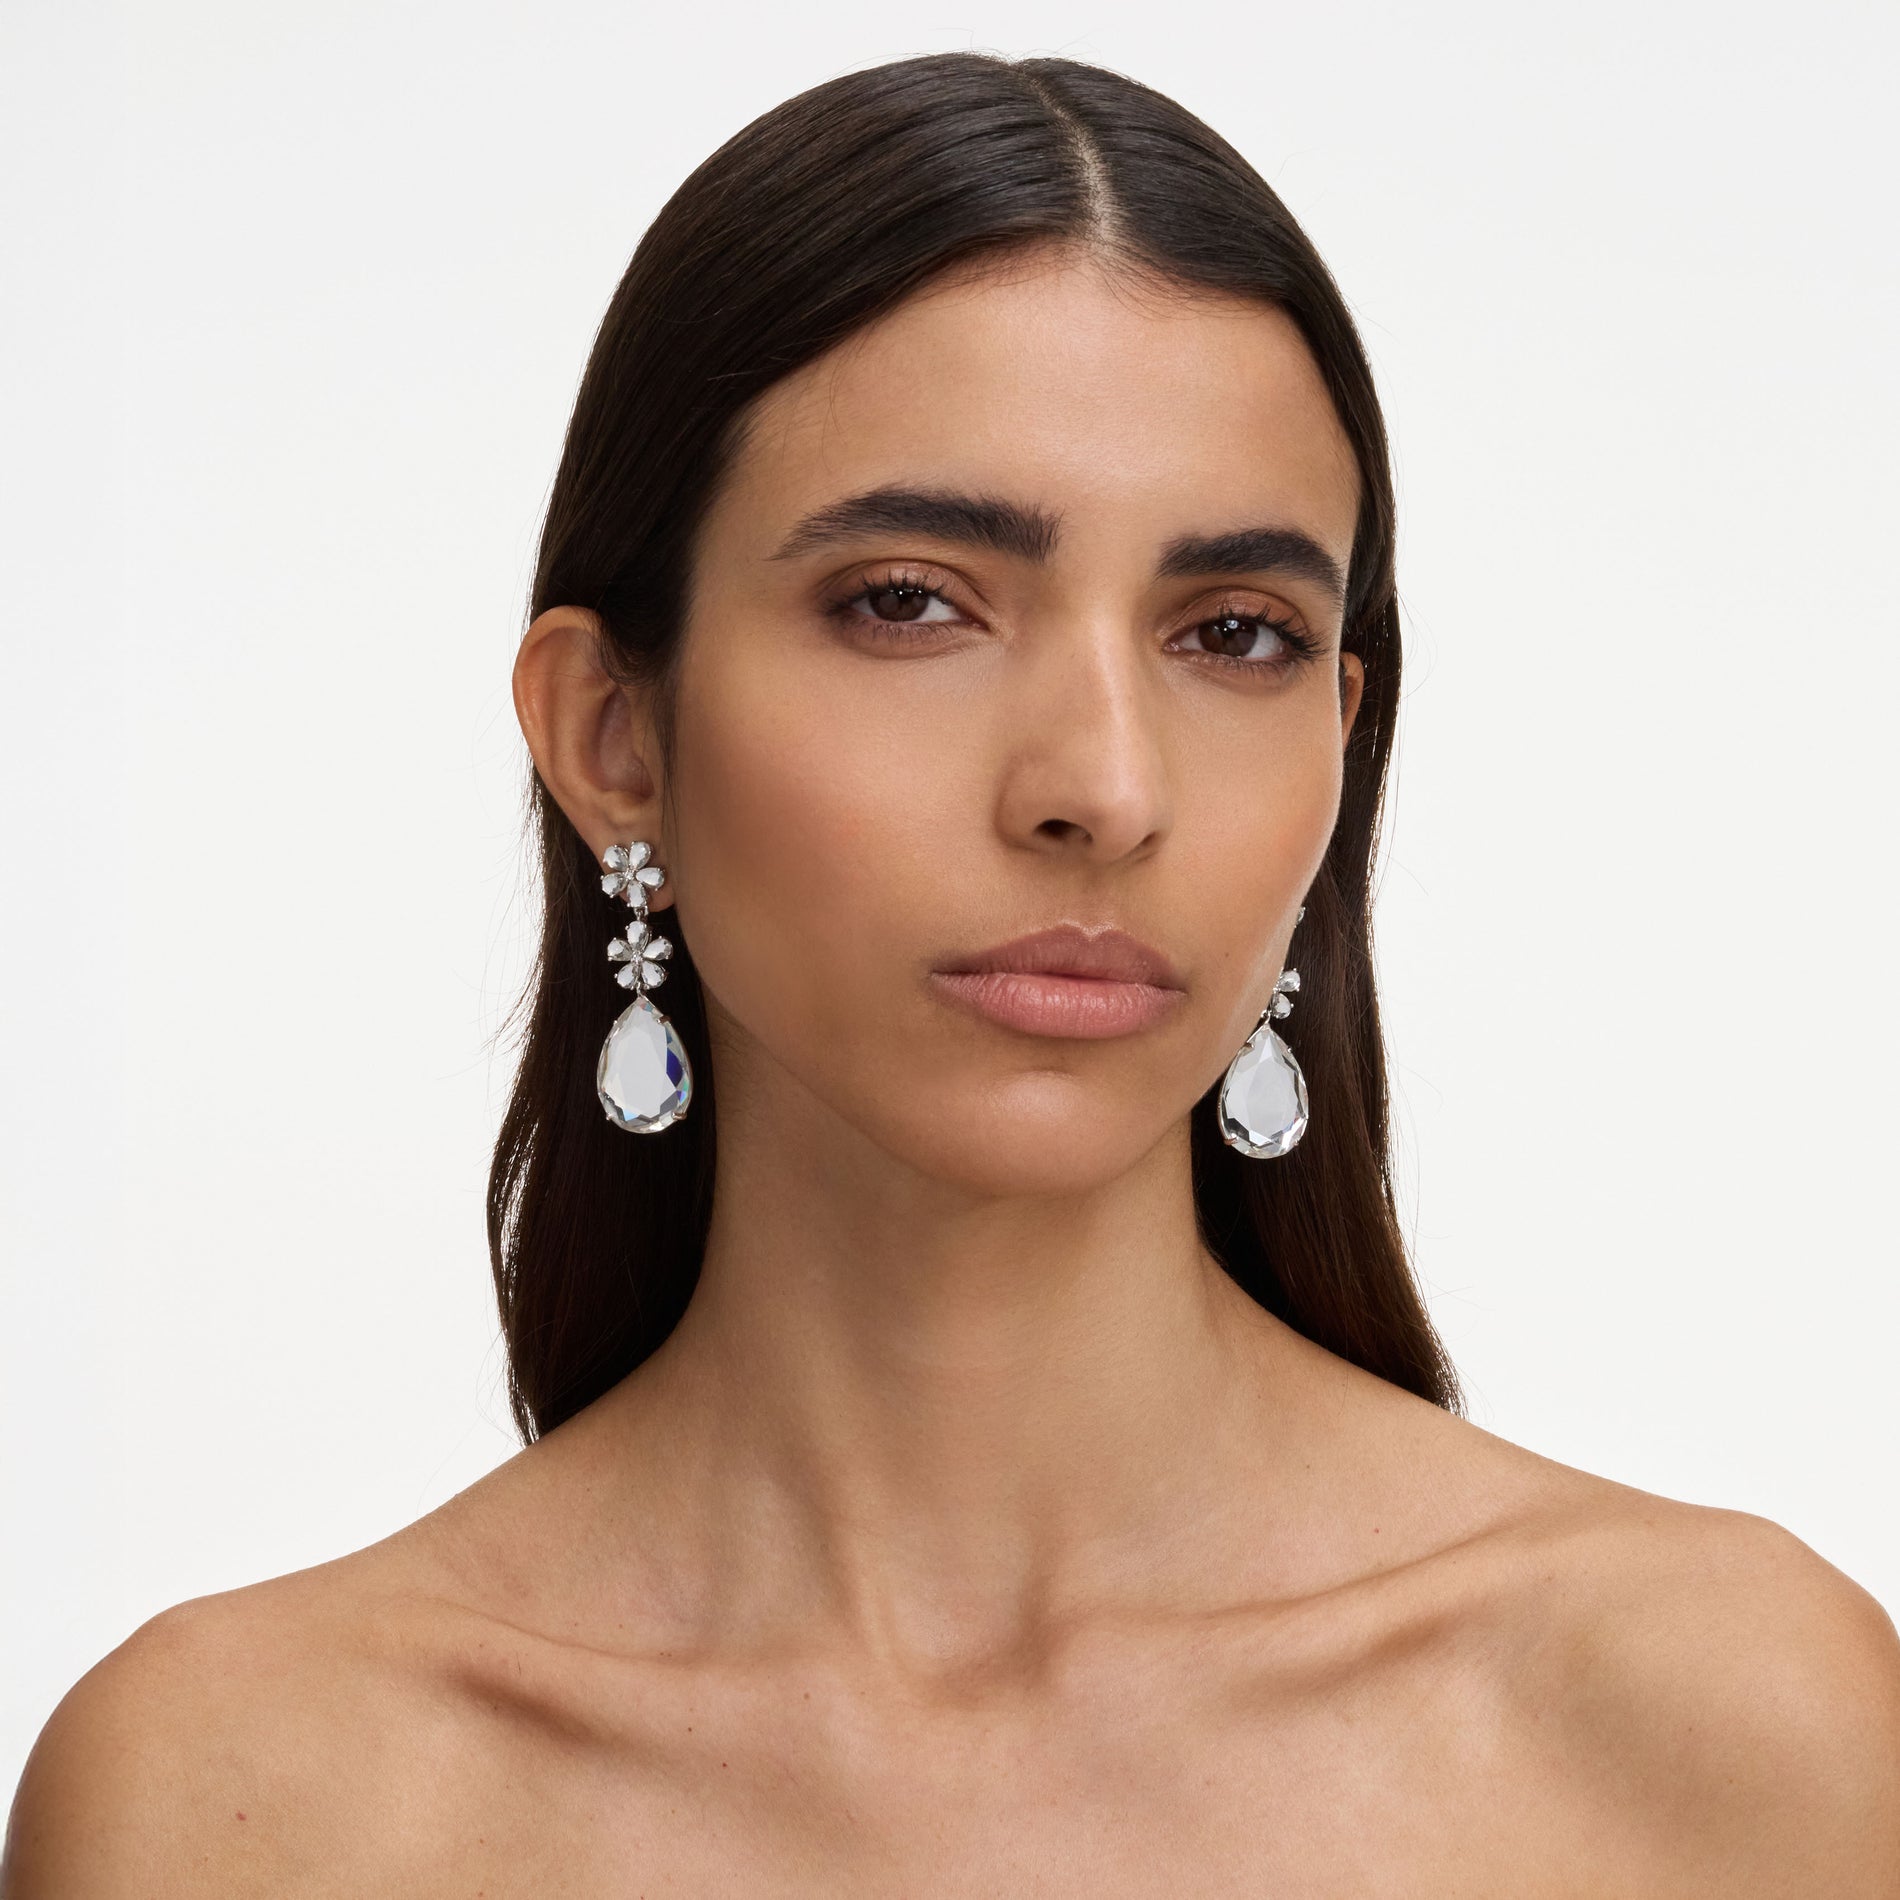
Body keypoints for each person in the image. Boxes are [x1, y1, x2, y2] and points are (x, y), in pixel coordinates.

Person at [7, 51, 1897, 1896]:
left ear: (1340, 742)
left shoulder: (1729, 1734)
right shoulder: (241, 1807)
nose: (1101, 786)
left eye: (1231, 632)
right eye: (911, 601)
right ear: (609, 735)